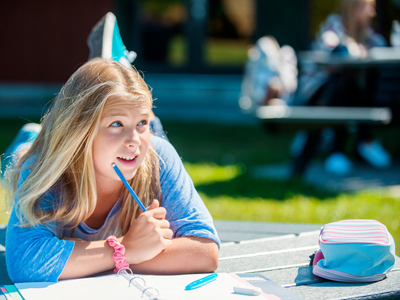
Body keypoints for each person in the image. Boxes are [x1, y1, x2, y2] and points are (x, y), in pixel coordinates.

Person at [5, 58, 219, 283]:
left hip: (122, 155)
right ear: (81, 131)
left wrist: (94, 261)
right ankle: (31, 135)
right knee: (19, 160)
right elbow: (25, 263)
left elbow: (205, 251)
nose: (134, 140)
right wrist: (124, 248)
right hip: (33, 154)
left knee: (149, 142)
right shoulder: (46, 167)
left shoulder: (159, 157)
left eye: (142, 122)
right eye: (116, 123)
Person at [294, 0, 392, 175]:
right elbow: (333, 50)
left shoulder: (364, 32)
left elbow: (380, 45)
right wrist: (354, 49)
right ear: (355, 8)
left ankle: (361, 141)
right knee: (345, 79)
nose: (372, 14)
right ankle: (350, 146)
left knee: (363, 78)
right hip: (318, 93)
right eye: (369, 8)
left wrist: (360, 49)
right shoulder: (334, 24)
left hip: (344, 93)